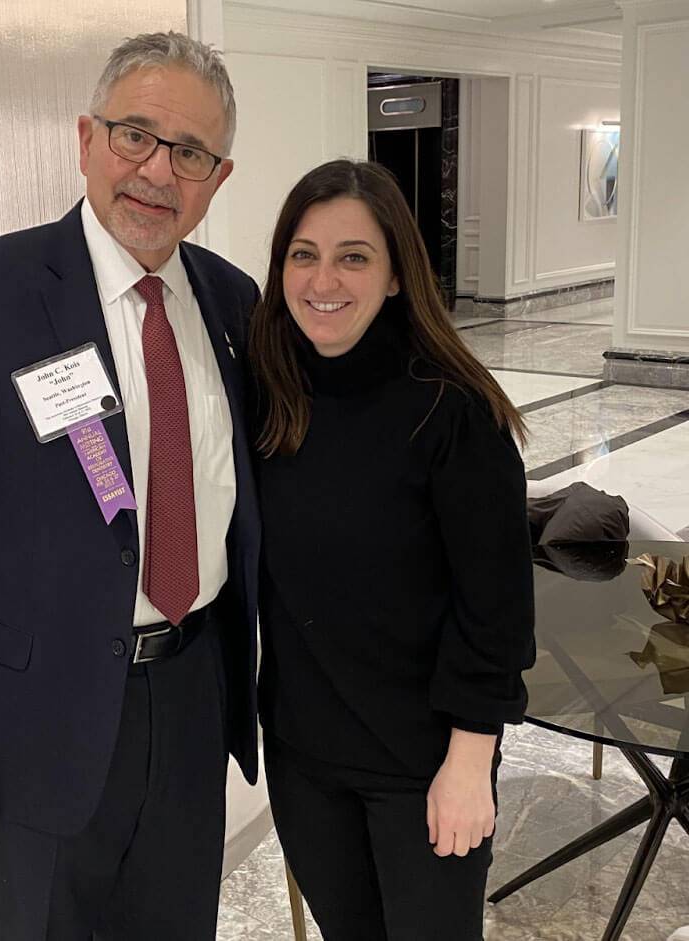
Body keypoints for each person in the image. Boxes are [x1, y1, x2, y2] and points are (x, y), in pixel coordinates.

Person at [0, 32, 260, 940]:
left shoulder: (234, 303)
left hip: (193, 695)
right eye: (135, 135)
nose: (157, 171)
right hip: (32, 720)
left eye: (190, 153)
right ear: (87, 139)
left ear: (218, 178)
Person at [249, 159, 535, 940]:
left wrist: (470, 762)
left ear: (398, 274)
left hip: (425, 761)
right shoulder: (269, 395)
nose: (323, 280)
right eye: (303, 254)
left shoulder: (452, 410)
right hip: (306, 756)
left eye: (354, 256)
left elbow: (497, 608)